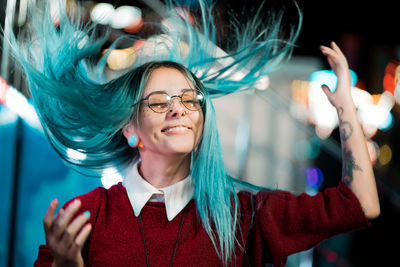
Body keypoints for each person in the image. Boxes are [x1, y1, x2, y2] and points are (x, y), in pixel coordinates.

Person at [9, 1, 379, 267]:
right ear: (130, 129)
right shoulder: (89, 216)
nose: (178, 109)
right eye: (158, 102)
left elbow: (362, 205)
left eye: (190, 99)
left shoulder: (244, 217)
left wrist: (345, 104)